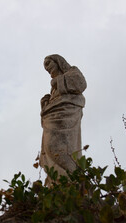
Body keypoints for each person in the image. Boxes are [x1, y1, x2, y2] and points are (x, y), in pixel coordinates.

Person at [40, 54, 87, 183]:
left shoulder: (73, 71)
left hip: (66, 118)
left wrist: (59, 81)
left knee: (60, 149)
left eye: (48, 64)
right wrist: (45, 104)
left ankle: (73, 180)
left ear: (58, 62)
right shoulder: (52, 91)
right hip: (52, 120)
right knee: (50, 148)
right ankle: (58, 182)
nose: (47, 68)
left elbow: (81, 84)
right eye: (45, 67)